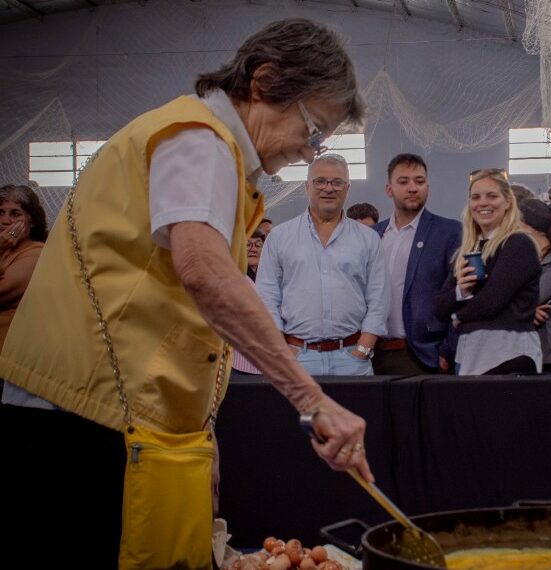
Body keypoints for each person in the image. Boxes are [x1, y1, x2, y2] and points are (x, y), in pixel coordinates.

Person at [0, 18, 373, 567]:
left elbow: (173, 304)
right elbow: (205, 272)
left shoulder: (208, 148)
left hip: (103, 409)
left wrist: (200, 426)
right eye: (313, 129)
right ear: (265, 82)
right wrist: (312, 401)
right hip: (77, 416)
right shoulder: (199, 140)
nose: (310, 151)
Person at [257, 154, 388, 376]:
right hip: (297, 358)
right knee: (305, 414)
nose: (329, 188)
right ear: (307, 186)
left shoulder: (368, 239)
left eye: (337, 182)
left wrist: (365, 346)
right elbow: (267, 295)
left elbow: (379, 297)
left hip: (353, 358)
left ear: (347, 188)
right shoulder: (279, 237)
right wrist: (280, 346)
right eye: (320, 181)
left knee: (355, 413)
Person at [434, 168, 542, 375]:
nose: (483, 203)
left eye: (492, 196)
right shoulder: (467, 251)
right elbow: (439, 307)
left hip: (509, 349)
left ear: (508, 202)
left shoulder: (519, 244)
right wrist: (460, 292)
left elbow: (493, 300)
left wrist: (459, 315)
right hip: (471, 351)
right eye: (476, 197)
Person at [372, 153, 461, 375]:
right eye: (403, 182)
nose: (412, 188)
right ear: (389, 189)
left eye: (419, 181)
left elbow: (459, 297)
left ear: (427, 187)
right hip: (373, 353)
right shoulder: (373, 235)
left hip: (422, 355)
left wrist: (447, 350)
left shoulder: (449, 232)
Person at [519, 198, 551, 372]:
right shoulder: (524, 259)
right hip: (518, 351)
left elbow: (529, 299)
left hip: (547, 355)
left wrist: (525, 309)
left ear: (527, 227)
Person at [0, 184, 47, 348]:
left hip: (9, 351)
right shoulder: (5, 251)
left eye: (15, 214)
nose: (5, 221)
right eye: (0, 213)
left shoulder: (35, 254)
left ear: (32, 221)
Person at [233, 229, 266, 375]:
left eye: (258, 245)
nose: (253, 249)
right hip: (238, 361)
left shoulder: (271, 278)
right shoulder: (232, 277)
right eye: (248, 245)